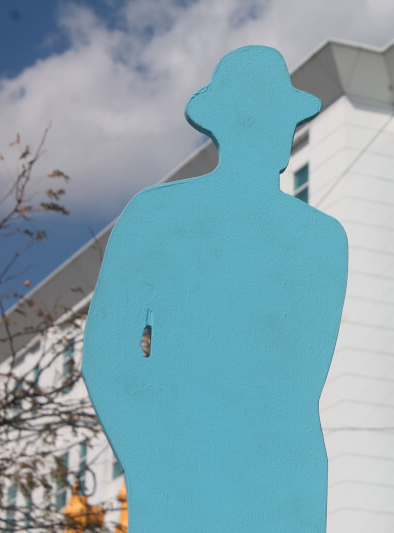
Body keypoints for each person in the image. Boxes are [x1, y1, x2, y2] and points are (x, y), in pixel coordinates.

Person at [83, 46, 348, 532]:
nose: (281, 131)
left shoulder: (322, 238)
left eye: (285, 118)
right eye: (267, 116)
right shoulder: (156, 215)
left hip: (289, 477)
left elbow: (302, 374)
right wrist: (155, 461)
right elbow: (107, 359)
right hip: (183, 464)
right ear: (228, 123)